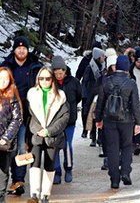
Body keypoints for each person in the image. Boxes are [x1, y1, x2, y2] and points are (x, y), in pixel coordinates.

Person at [1, 35, 42, 196]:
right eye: (18, 48)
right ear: (14, 50)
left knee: (22, 146)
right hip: (7, 114)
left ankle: (19, 180)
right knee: (7, 148)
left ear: (27, 49)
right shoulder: (6, 66)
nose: (21, 50)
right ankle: (6, 179)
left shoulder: (35, 66)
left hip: (27, 114)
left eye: (24, 48)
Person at [95, 56, 140, 189]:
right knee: (127, 146)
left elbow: (100, 102)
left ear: (116, 66)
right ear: (127, 68)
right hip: (126, 120)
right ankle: (126, 171)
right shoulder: (131, 83)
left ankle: (114, 179)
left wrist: (98, 119)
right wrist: (139, 122)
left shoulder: (106, 81)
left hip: (109, 120)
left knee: (112, 148)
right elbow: (135, 105)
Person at [27, 66, 69, 203]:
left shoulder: (61, 96)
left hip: (53, 136)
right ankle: (34, 194)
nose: (44, 81)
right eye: (41, 78)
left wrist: (49, 131)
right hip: (36, 135)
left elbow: (64, 117)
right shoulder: (31, 94)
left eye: (47, 78)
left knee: (50, 164)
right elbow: (29, 116)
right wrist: (38, 130)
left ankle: (45, 194)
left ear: (52, 80)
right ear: (38, 79)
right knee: (35, 162)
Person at [51, 56, 82, 185]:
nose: (59, 75)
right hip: (55, 121)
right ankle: (56, 171)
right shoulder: (50, 82)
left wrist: (72, 107)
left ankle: (68, 169)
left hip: (69, 120)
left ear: (65, 71)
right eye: (56, 73)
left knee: (67, 145)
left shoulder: (74, 82)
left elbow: (79, 96)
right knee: (55, 146)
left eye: (61, 72)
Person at [0, 67, 22, 203]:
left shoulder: (12, 96)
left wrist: (6, 137)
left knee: (2, 172)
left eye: (5, 79)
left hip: (4, 143)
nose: (2, 81)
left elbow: (17, 119)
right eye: (0, 78)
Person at [81, 47, 105, 144]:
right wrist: (85, 96)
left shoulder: (103, 67)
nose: (104, 58)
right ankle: (93, 136)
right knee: (93, 115)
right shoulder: (90, 67)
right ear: (98, 57)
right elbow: (85, 82)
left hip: (101, 93)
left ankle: (100, 136)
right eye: (102, 56)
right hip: (91, 94)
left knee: (100, 115)